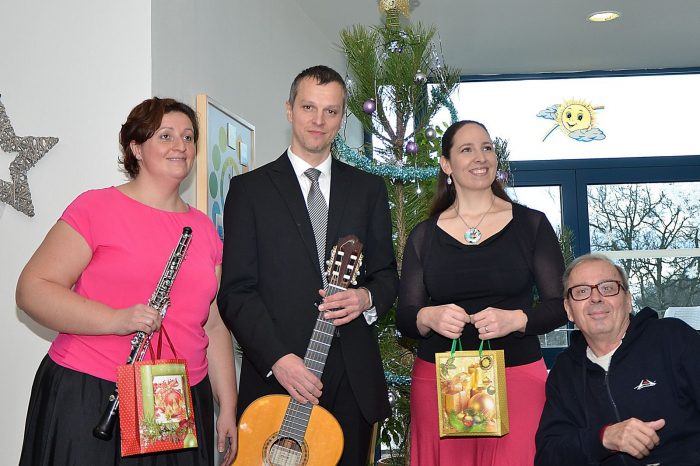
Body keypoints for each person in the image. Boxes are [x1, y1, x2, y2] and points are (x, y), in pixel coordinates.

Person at [16, 97, 237, 466]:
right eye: (165, 136)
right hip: (94, 390)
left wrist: (227, 405)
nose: (180, 145)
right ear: (136, 147)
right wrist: (116, 319)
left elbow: (212, 324)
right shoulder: (96, 208)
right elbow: (32, 289)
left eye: (188, 137)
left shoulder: (205, 230)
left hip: (175, 402)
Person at [217, 65, 399, 465]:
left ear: (342, 118)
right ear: (289, 110)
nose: (319, 120)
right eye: (308, 107)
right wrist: (278, 360)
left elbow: (387, 275)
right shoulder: (249, 191)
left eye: (331, 111)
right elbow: (236, 293)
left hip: (353, 381)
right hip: (279, 379)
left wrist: (366, 298)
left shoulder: (368, 189)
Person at [396, 119, 568, 465]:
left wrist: (517, 320)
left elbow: (562, 305)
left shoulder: (532, 225)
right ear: (446, 165)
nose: (480, 157)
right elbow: (406, 317)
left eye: (487, 148)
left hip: (517, 379)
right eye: (467, 149)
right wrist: (428, 316)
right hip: (441, 384)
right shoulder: (424, 236)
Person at [535, 253, 700, 465]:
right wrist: (604, 438)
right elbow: (548, 456)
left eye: (607, 288)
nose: (596, 298)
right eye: (582, 291)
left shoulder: (673, 339)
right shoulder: (565, 371)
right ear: (569, 310)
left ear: (628, 300)